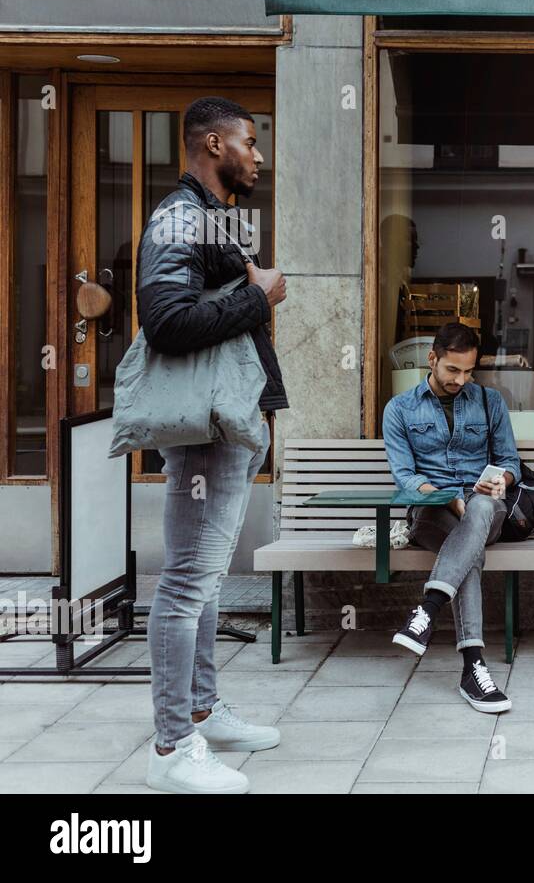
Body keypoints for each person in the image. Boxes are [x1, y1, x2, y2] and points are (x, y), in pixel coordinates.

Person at [139, 96, 289, 793]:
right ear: (210, 144)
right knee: (184, 587)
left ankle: (202, 708)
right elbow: (166, 318)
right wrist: (260, 297)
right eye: (248, 142)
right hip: (203, 434)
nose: (257, 156)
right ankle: (172, 746)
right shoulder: (180, 216)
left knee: (204, 583)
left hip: (223, 428)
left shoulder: (206, 216)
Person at [383, 322, 519, 713]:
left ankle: (428, 609)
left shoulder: (490, 402)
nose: (461, 380)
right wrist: (447, 499)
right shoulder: (400, 409)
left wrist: (501, 481)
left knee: (477, 509)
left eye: (468, 372)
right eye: (452, 370)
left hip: (485, 509)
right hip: (431, 514)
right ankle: (473, 668)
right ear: (432, 359)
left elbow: (510, 462)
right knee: (468, 554)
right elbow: (406, 478)